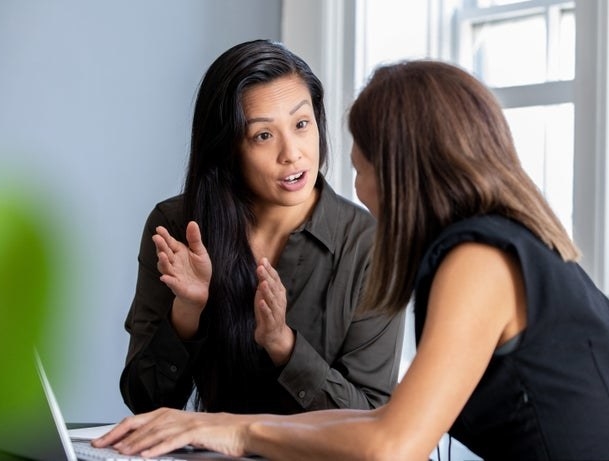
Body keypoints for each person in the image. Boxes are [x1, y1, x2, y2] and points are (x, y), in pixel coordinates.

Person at [96, 60, 609, 460]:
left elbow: (391, 444)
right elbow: (388, 421)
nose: (355, 187)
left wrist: (235, 429)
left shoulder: (478, 261)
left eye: (359, 167)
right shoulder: (496, 245)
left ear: (400, 170)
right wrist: (215, 426)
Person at [119, 39, 405, 417]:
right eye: (263, 135)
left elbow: (371, 421)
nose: (292, 153)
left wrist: (283, 345)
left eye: (302, 124)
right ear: (227, 149)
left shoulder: (371, 246)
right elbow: (145, 400)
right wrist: (187, 311)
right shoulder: (177, 227)